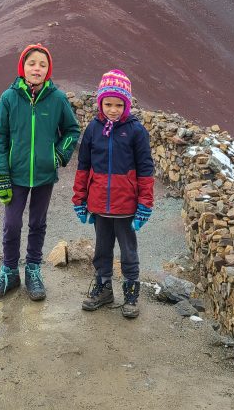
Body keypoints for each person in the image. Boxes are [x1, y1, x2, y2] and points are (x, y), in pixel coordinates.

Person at [0, 44, 81, 301]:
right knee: (12, 224)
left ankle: (33, 271)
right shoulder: (9, 98)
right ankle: (9, 272)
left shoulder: (57, 99)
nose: (36, 68)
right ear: (22, 67)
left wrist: (58, 155)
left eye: (42, 64)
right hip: (14, 175)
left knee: (38, 223)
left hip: (44, 176)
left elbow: (72, 131)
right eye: (31, 63)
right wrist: (1, 176)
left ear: (48, 69)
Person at [73, 69, 154, 318]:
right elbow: (83, 166)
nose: (113, 109)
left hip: (126, 206)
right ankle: (104, 287)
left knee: (128, 251)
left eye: (119, 104)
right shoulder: (93, 130)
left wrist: (145, 205)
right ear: (100, 102)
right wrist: (79, 200)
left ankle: (131, 292)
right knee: (102, 249)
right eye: (108, 103)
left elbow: (145, 170)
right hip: (98, 205)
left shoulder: (136, 131)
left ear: (127, 104)